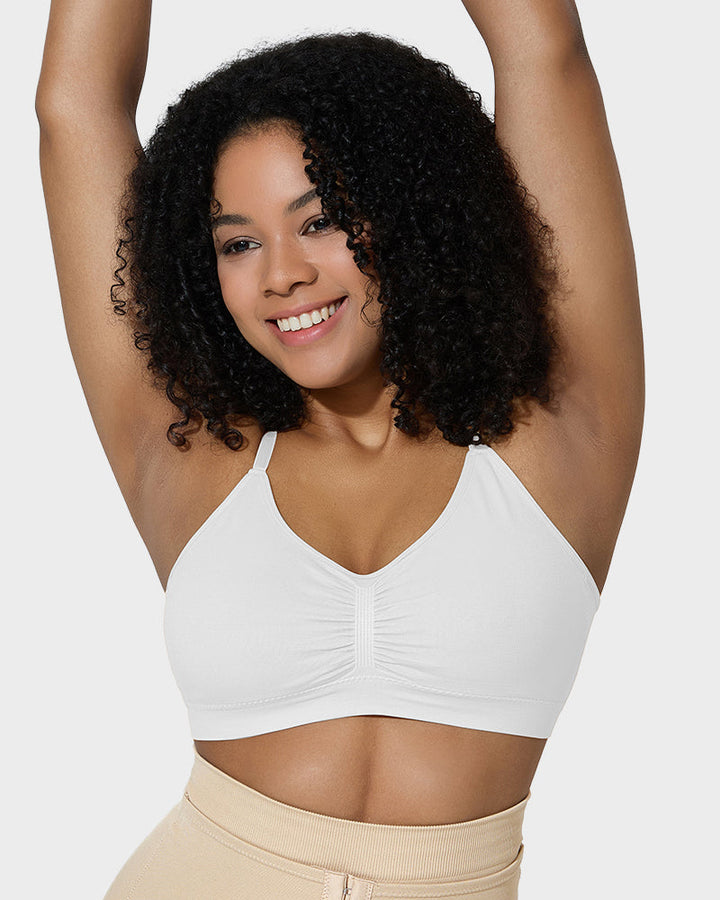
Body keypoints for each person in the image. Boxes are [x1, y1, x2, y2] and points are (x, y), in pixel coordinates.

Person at [36, 0, 644, 896]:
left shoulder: (558, 439)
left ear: (410, 213)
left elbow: (541, 45)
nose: (281, 274)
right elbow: (75, 106)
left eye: (319, 221)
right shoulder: (191, 455)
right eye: (239, 243)